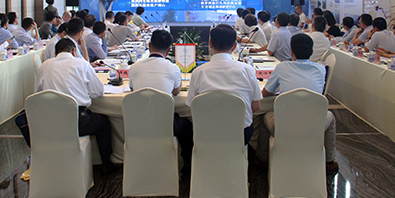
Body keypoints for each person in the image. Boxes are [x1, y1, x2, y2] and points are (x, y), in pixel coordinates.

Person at [19, 38, 118, 175]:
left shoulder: (45, 66)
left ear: (55, 53)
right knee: (104, 123)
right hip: (77, 121)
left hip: (49, 123)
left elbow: (39, 93)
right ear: (73, 51)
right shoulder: (82, 64)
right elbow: (98, 92)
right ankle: (106, 164)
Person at [256, 33, 338, 174]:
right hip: (314, 125)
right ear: (312, 52)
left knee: (264, 117)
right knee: (330, 117)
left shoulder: (282, 67)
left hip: (283, 126)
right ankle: (329, 162)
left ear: (291, 52)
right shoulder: (320, 69)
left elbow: (266, 93)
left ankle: (262, 159)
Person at [128, 29, 193, 175]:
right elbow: (176, 92)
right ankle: (187, 164)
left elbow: (133, 90)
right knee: (187, 126)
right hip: (166, 125)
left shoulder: (134, 67)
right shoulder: (173, 68)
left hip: (138, 125)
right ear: (169, 50)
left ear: (149, 46)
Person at [186, 24, 261, 145]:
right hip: (240, 134)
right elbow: (256, 106)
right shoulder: (247, 70)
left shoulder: (199, 72)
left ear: (210, 44)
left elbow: (192, 106)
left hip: (207, 134)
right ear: (235, 46)